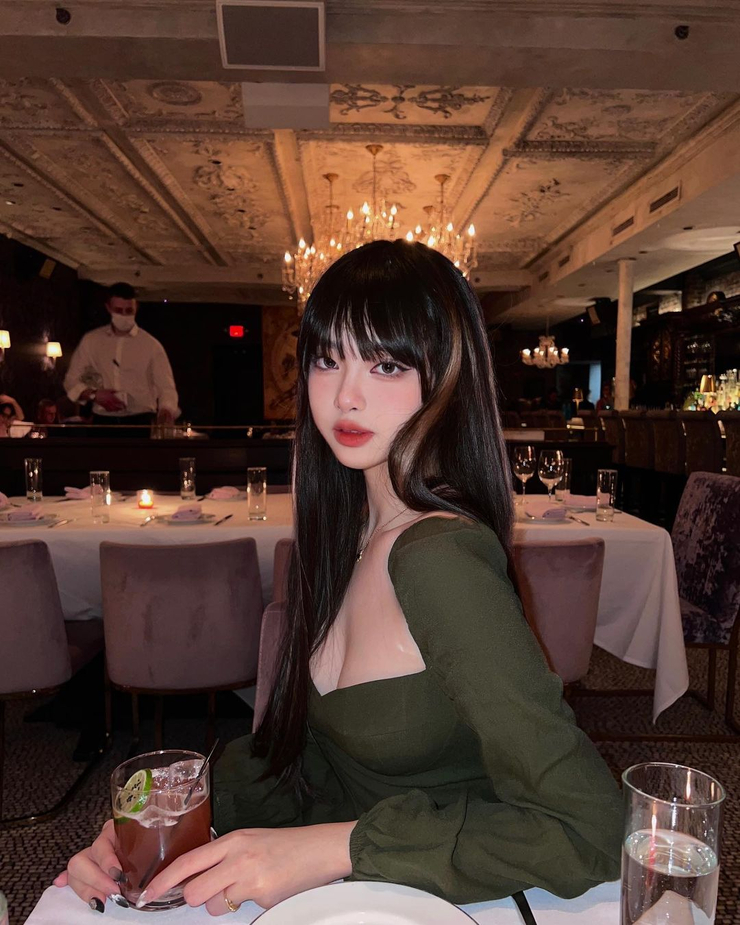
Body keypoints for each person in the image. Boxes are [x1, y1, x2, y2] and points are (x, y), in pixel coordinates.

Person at [57, 241, 621, 914]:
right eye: (327, 359)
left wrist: (339, 847)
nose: (346, 395)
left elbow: (591, 826)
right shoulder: (344, 535)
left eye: (386, 364)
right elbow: (305, 752)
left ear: (446, 377)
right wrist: (165, 814)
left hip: (460, 899)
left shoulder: (438, 560)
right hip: (361, 897)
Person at [63, 282, 180, 426]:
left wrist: (166, 410)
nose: (124, 315)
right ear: (108, 308)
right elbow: (71, 381)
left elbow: (166, 387)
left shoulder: (151, 345)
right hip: (103, 420)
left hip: (140, 420)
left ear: (136, 307)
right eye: (118, 310)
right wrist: (94, 395)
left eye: (129, 310)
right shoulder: (92, 341)